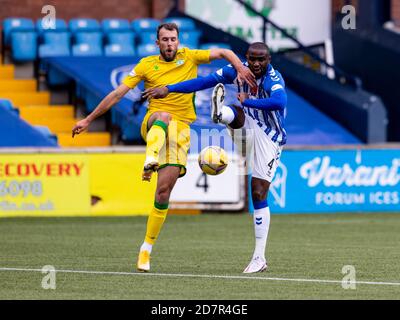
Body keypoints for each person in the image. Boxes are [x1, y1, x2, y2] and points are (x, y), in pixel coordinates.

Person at [71, 22, 256, 272]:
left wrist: (239, 66)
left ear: (178, 41)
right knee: (164, 117)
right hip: (155, 122)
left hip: (181, 132)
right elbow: (117, 94)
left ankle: (145, 250)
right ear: (157, 43)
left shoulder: (189, 57)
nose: (170, 43)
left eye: (173, 39)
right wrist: (88, 119)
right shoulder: (146, 65)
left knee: (163, 193)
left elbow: (223, 52)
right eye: (165, 40)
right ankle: (150, 158)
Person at [143, 42, 287, 274]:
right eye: (252, 59)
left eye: (262, 59)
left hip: (270, 137)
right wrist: (168, 89)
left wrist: (247, 101)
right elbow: (203, 82)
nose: (257, 64)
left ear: (269, 59)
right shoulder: (237, 72)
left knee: (258, 192)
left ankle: (259, 258)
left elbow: (280, 102)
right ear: (246, 58)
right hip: (247, 125)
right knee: (235, 112)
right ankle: (221, 114)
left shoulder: (273, 78)